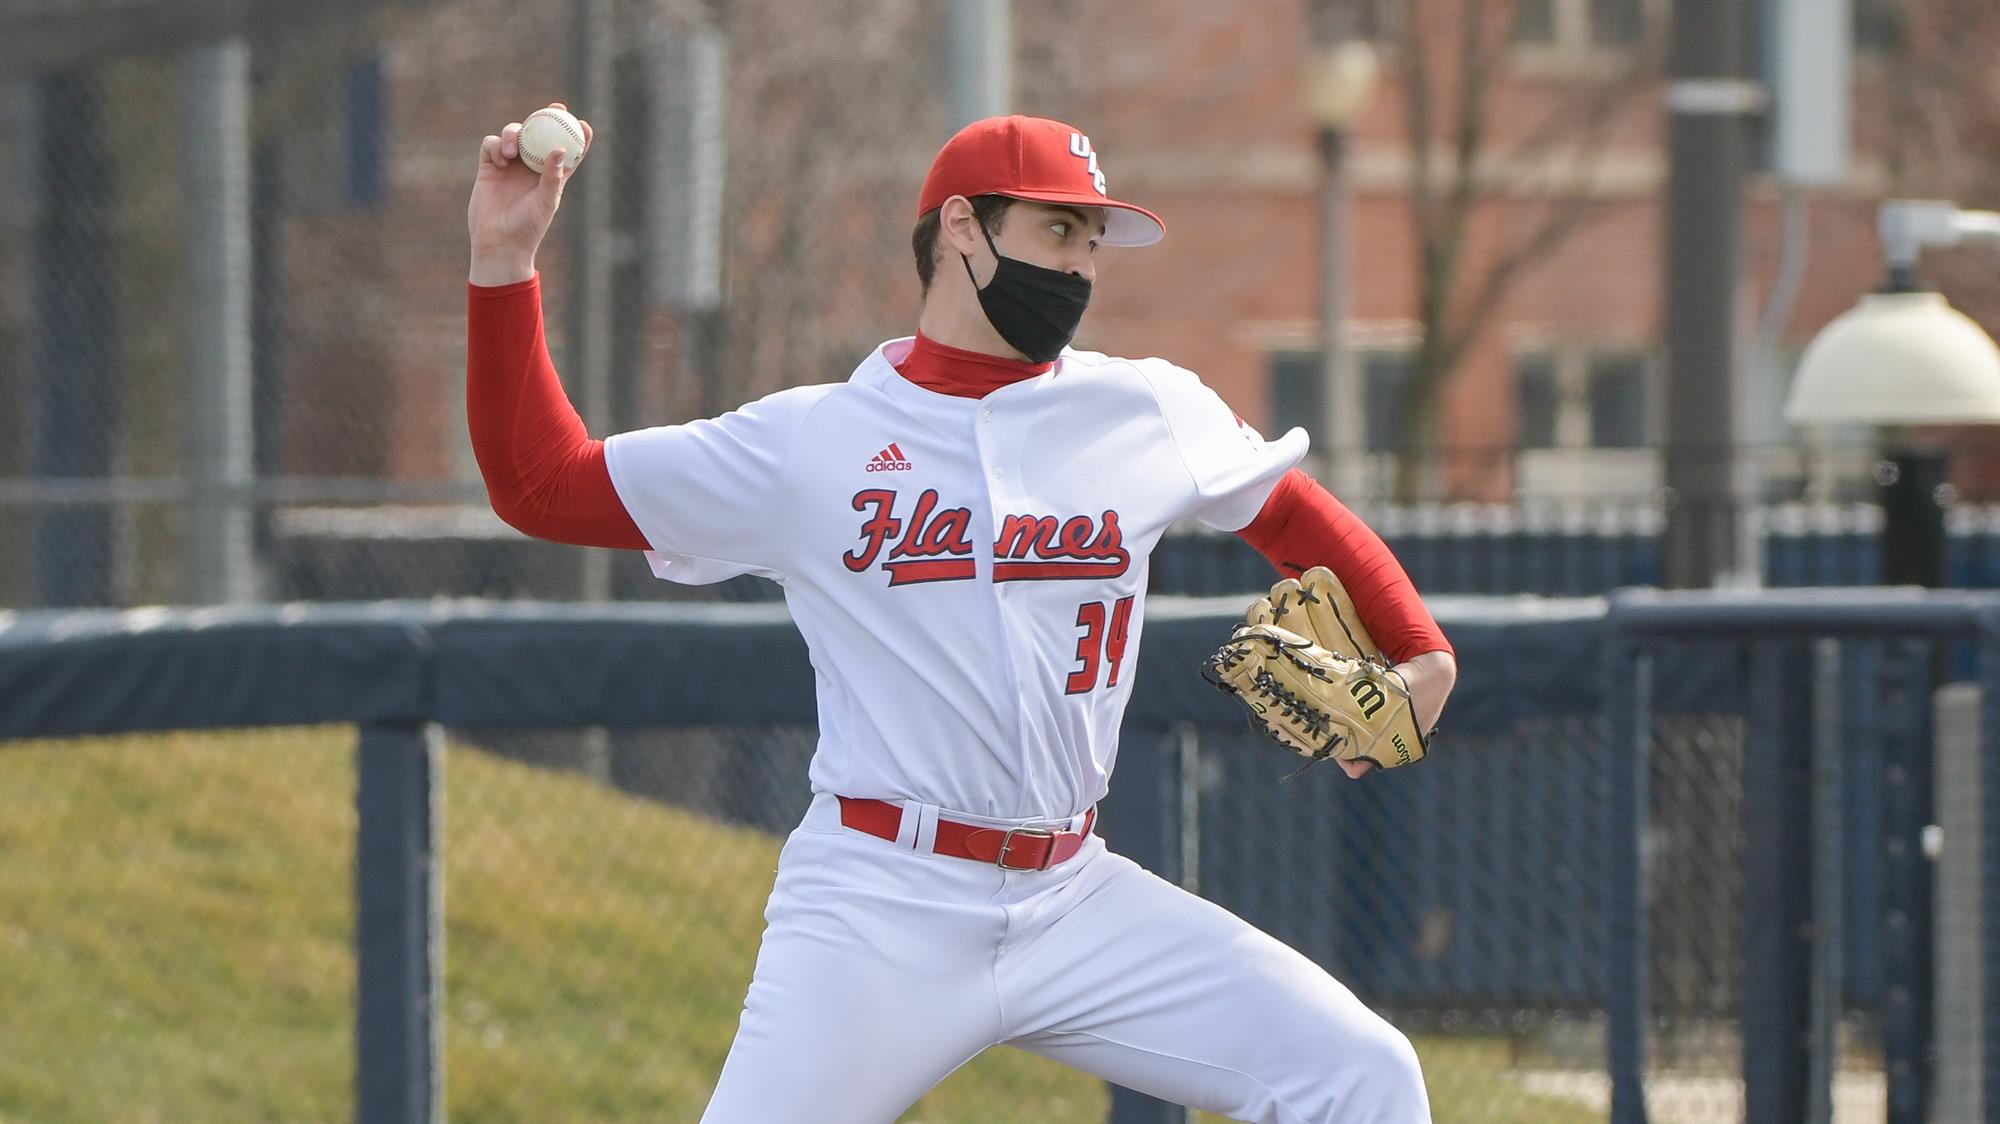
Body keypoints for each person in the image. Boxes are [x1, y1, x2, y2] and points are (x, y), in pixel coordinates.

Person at [466, 106, 1456, 1123]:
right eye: (1054, 230)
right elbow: (539, 482)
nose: (1078, 266)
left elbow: (1294, 515)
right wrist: (504, 263)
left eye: (1090, 240)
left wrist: (1421, 652)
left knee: (1360, 1071)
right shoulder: (815, 443)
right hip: (878, 899)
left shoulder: (1146, 411)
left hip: (1073, 893)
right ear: (960, 229)